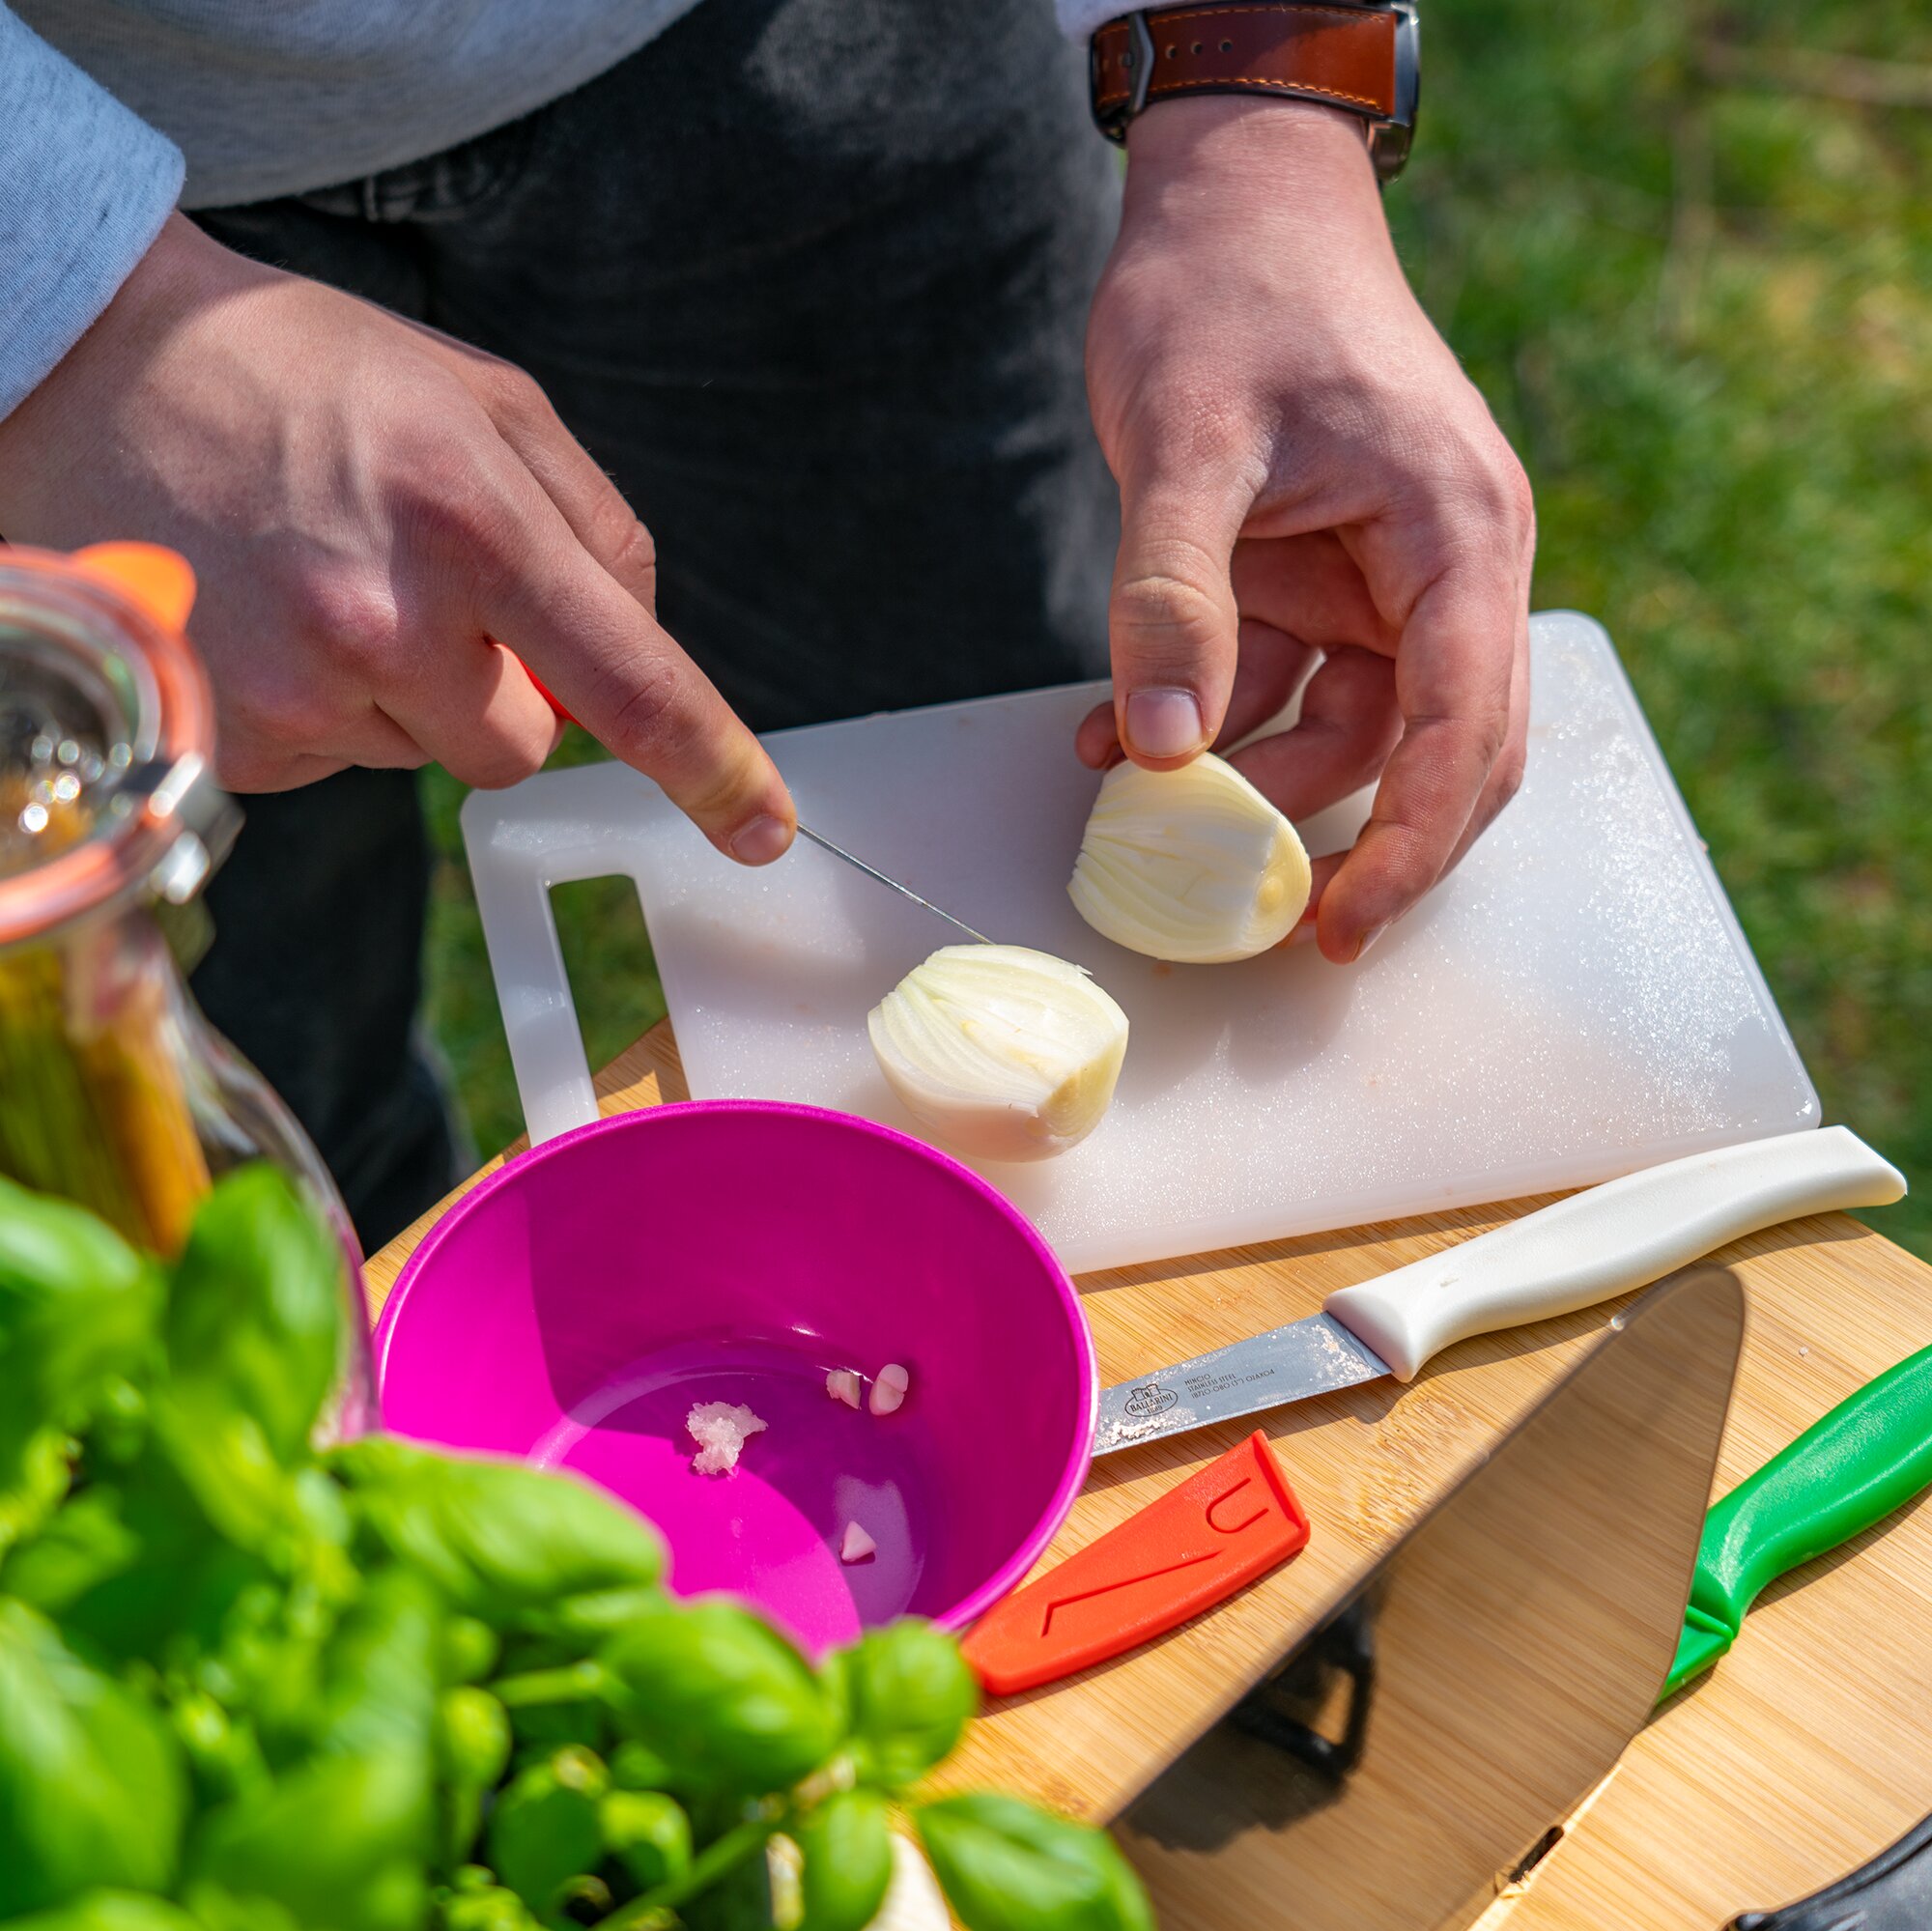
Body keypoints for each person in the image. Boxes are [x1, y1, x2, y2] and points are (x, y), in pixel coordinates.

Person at [0, 0, 1535, 1246]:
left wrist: (1260, 81)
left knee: (988, 739)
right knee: (206, 1043)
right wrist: (59, 306)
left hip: (810, 68)